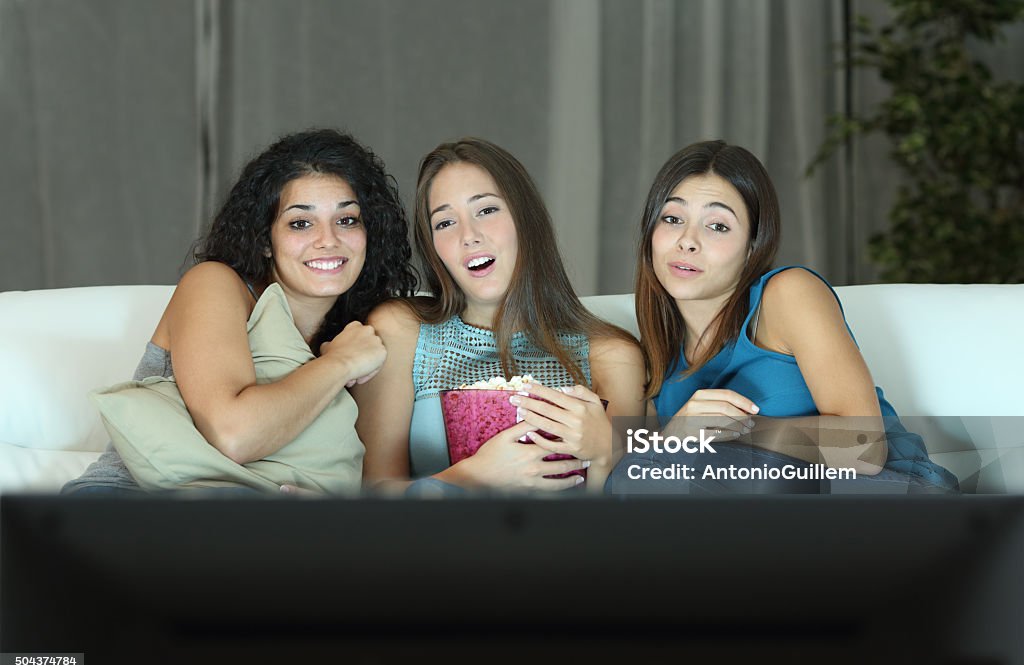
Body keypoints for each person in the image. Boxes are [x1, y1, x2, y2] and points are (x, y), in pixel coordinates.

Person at [63, 128, 417, 495]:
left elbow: (368, 486)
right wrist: (339, 364)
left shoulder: (364, 331)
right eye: (300, 223)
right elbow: (234, 435)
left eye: (347, 220)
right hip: (131, 504)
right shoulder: (215, 285)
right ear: (265, 241)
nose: (328, 239)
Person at [629, 139, 958, 491]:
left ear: (754, 245)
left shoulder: (788, 293)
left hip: (892, 502)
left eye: (718, 226)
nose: (687, 241)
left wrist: (733, 430)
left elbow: (866, 448)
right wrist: (675, 436)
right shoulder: (656, 355)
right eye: (673, 218)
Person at [354, 137, 646, 494]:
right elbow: (372, 496)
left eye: (487, 210)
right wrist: (473, 476)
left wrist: (607, 455)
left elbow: (625, 528)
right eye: (445, 223)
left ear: (526, 219)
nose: (469, 236)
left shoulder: (612, 355)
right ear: (432, 248)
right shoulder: (400, 330)